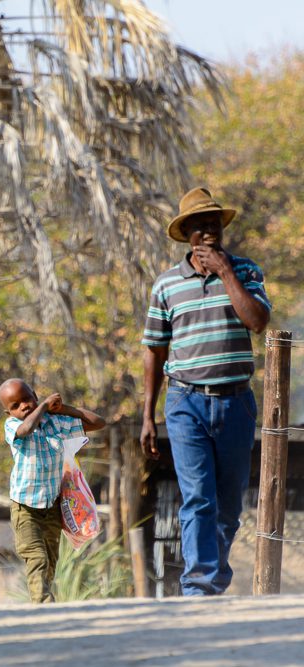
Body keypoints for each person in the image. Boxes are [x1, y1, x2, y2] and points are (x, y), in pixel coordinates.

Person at [140, 187, 271, 596]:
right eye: (201, 227)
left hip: (236, 401)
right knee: (197, 498)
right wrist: (148, 414)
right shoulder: (166, 285)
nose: (210, 232)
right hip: (185, 401)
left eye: (214, 224)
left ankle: (213, 583)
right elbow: (154, 350)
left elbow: (258, 322)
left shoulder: (246, 271)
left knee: (228, 506)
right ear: (187, 236)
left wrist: (227, 272)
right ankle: (198, 588)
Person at [0, 378, 105, 603]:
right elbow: (26, 429)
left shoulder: (54, 422)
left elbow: (98, 422)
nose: (24, 406)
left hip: (51, 505)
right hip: (25, 507)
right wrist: (44, 406)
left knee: (50, 559)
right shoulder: (13, 426)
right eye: (15, 406)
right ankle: (44, 605)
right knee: (36, 557)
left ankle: (43, 601)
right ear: (8, 413)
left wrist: (63, 409)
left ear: (34, 395)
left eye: (27, 399)